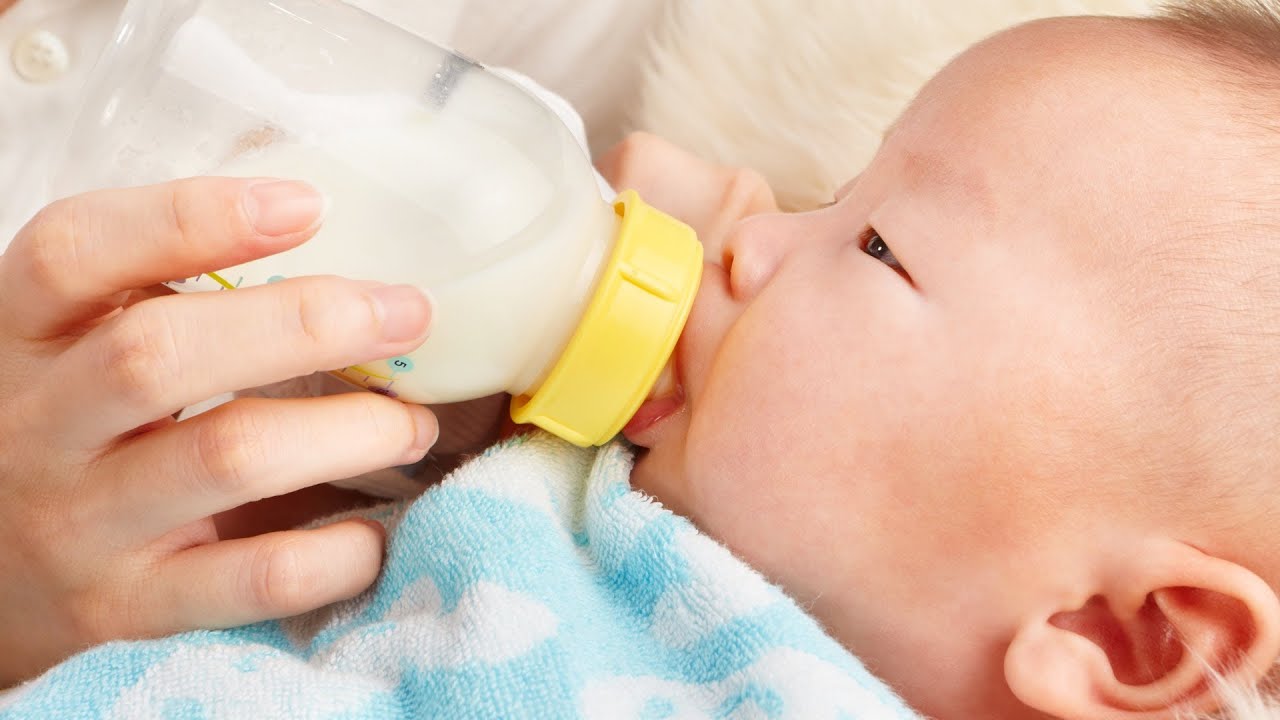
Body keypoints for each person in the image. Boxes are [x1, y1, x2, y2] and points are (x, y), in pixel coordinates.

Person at [5, 1, 1280, 719]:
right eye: (834, 194)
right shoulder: (568, 503)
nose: (751, 234)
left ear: (1126, 634)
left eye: (878, 244)